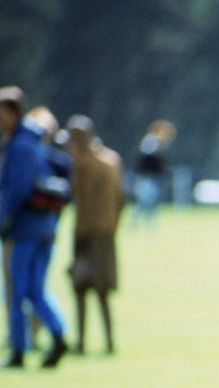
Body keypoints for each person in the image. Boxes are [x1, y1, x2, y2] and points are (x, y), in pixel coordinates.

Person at [0, 91, 69, 368]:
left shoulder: (21, 146)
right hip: (44, 226)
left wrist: (2, 219)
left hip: (25, 229)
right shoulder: (33, 142)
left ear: (13, 113)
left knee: (19, 290)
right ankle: (58, 334)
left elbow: (16, 190)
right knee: (35, 290)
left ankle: (19, 349)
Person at [65, 115, 125, 354]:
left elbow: (80, 199)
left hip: (87, 232)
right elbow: (121, 199)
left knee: (81, 287)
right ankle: (109, 342)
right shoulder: (112, 160)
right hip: (107, 232)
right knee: (102, 291)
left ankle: (80, 342)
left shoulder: (83, 164)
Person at [131, 119, 175, 230]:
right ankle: (142, 225)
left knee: (147, 203)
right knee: (145, 203)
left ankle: (141, 225)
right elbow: (147, 158)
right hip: (147, 178)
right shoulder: (151, 141)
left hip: (153, 178)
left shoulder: (157, 143)